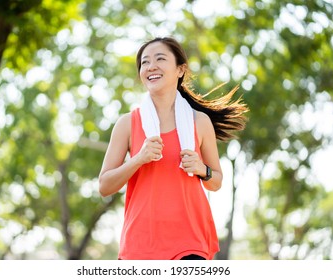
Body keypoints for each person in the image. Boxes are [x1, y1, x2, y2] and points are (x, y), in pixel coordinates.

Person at [98, 37, 248, 260]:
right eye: (145, 62)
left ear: (180, 70)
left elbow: (216, 181)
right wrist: (138, 159)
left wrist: (201, 168)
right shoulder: (127, 124)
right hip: (140, 245)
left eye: (160, 59)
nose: (151, 66)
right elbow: (104, 185)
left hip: (190, 243)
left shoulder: (200, 122)